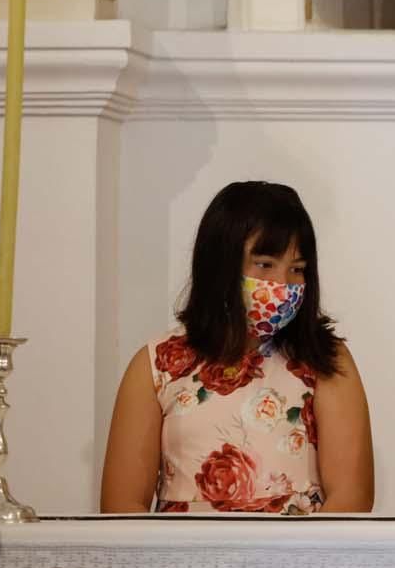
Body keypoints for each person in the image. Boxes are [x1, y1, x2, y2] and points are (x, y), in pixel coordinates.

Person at [100, 182, 374, 513]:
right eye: (265, 264)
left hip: (298, 560)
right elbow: (121, 505)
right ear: (221, 264)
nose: (283, 284)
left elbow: (351, 498)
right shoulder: (156, 364)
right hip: (181, 559)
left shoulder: (326, 361)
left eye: (297, 269)